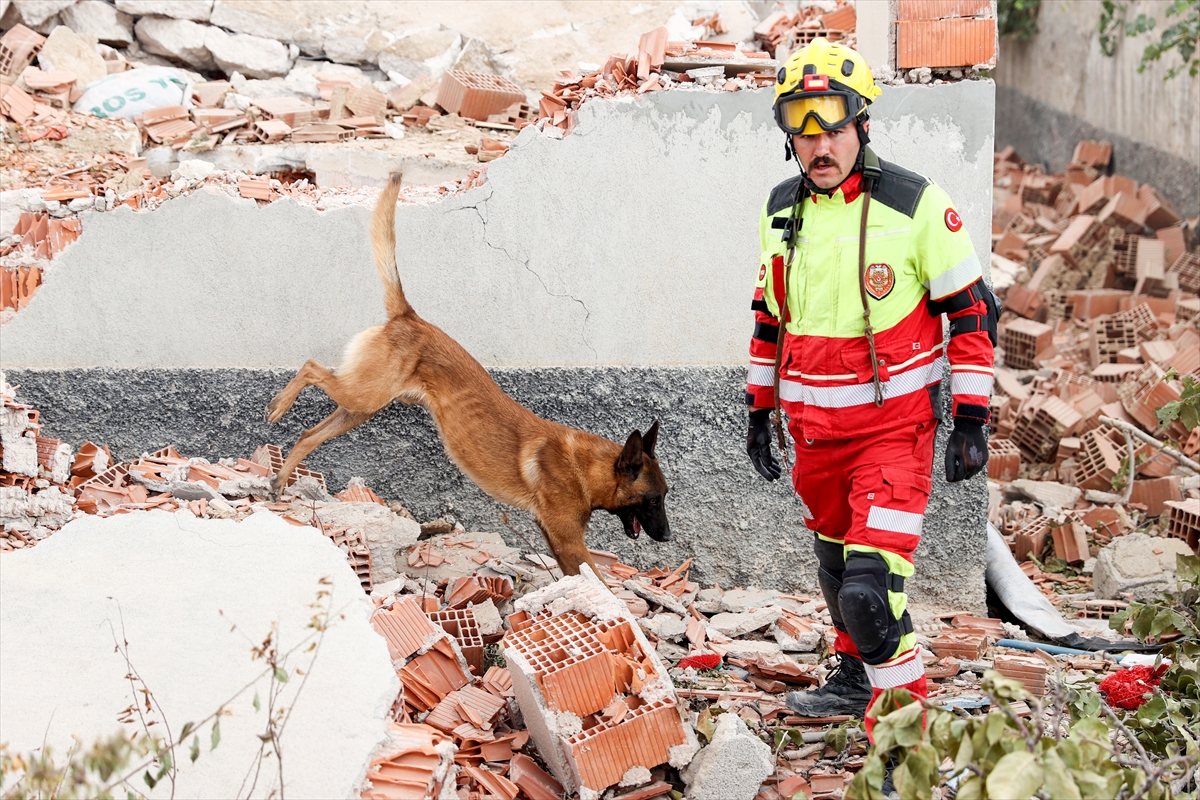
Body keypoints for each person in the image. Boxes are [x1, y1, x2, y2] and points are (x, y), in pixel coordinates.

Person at [743, 38, 997, 741]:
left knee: (869, 595)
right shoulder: (778, 211)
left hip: (893, 435)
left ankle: (904, 739)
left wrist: (972, 418)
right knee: (835, 569)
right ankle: (855, 680)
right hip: (813, 437)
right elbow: (770, 317)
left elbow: (973, 313)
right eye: (800, 125)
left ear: (862, 121)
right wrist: (758, 413)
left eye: (832, 123)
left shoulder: (915, 205)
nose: (817, 142)